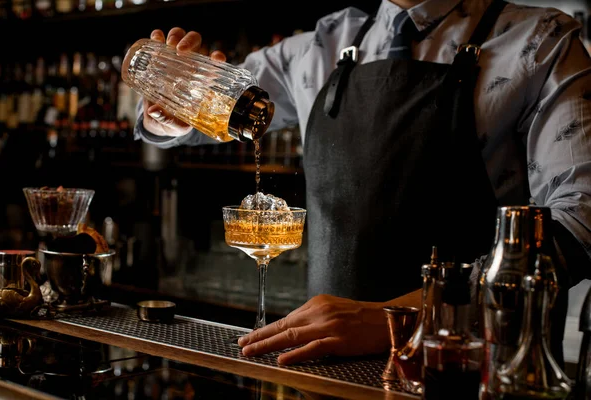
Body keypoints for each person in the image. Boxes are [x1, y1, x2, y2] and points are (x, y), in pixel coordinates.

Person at [134, 0, 591, 366]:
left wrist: (405, 317)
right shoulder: (322, 44)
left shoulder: (540, 40)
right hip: (329, 367)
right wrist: (168, 108)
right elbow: (192, 122)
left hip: (472, 362)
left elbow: (580, 222)